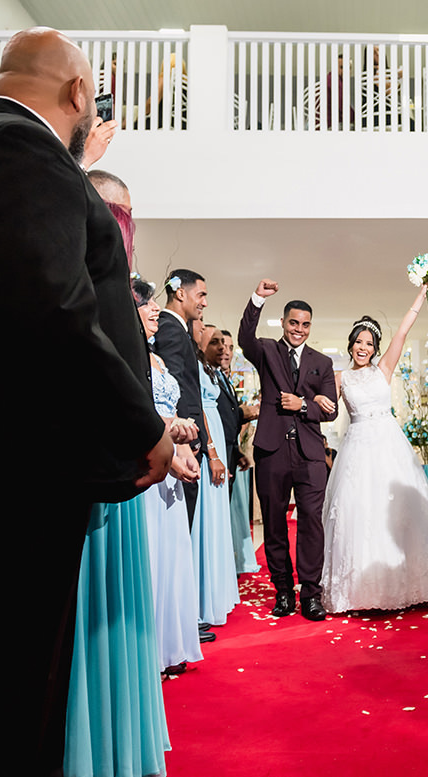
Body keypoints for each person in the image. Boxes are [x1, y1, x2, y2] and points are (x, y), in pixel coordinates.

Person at [0, 27, 171, 776]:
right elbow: (53, 302)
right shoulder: (19, 149)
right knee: (13, 679)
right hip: (10, 462)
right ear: (80, 93)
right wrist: (140, 423)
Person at [319, 283, 428, 612]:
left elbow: (403, 329)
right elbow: (326, 407)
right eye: (358, 342)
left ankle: (405, 584)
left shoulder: (383, 369)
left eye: (369, 343)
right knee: (358, 513)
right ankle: (359, 592)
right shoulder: (341, 377)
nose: (363, 348)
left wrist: (423, 291)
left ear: (375, 348)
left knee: (395, 512)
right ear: (351, 345)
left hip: (388, 445)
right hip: (356, 449)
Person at [237, 279, 339, 621]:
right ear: (283, 323)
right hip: (271, 449)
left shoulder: (322, 363)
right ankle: (283, 591)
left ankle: (311, 594)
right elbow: (244, 338)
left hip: (311, 455)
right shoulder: (265, 350)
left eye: (305, 324)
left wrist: (303, 404)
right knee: (275, 524)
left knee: (312, 523)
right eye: (294, 323)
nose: (299, 329)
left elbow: (331, 410)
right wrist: (256, 299)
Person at [133, 276, 204, 676]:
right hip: (146, 467)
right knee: (150, 557)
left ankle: (168, 645)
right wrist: (169, 446)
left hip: (172, 469)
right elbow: (138, 415)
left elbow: (171, 413)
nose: (154, 310)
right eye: (145, 303)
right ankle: (147, 651)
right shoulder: (131, 359)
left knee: (172, 553)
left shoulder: (158, 358)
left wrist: (184, 452)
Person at [191, 324, 242, 627]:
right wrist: (211, 453)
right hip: (210, 445)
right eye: (215, 342)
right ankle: (202, 597)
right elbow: (198, 408)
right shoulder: (196, 368)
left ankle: (217, 591)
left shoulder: (213, 372)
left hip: (222, 443)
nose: (222, 348)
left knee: (218, 519)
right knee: (206, 520)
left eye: (224, 343)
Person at [155, 269, 209, 528]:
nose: (204, 302)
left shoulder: (179, 330)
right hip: (182, 440)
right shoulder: (171, 329)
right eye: (201, 295)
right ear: (180, 293)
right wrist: (185, 440)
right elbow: (173, 387)